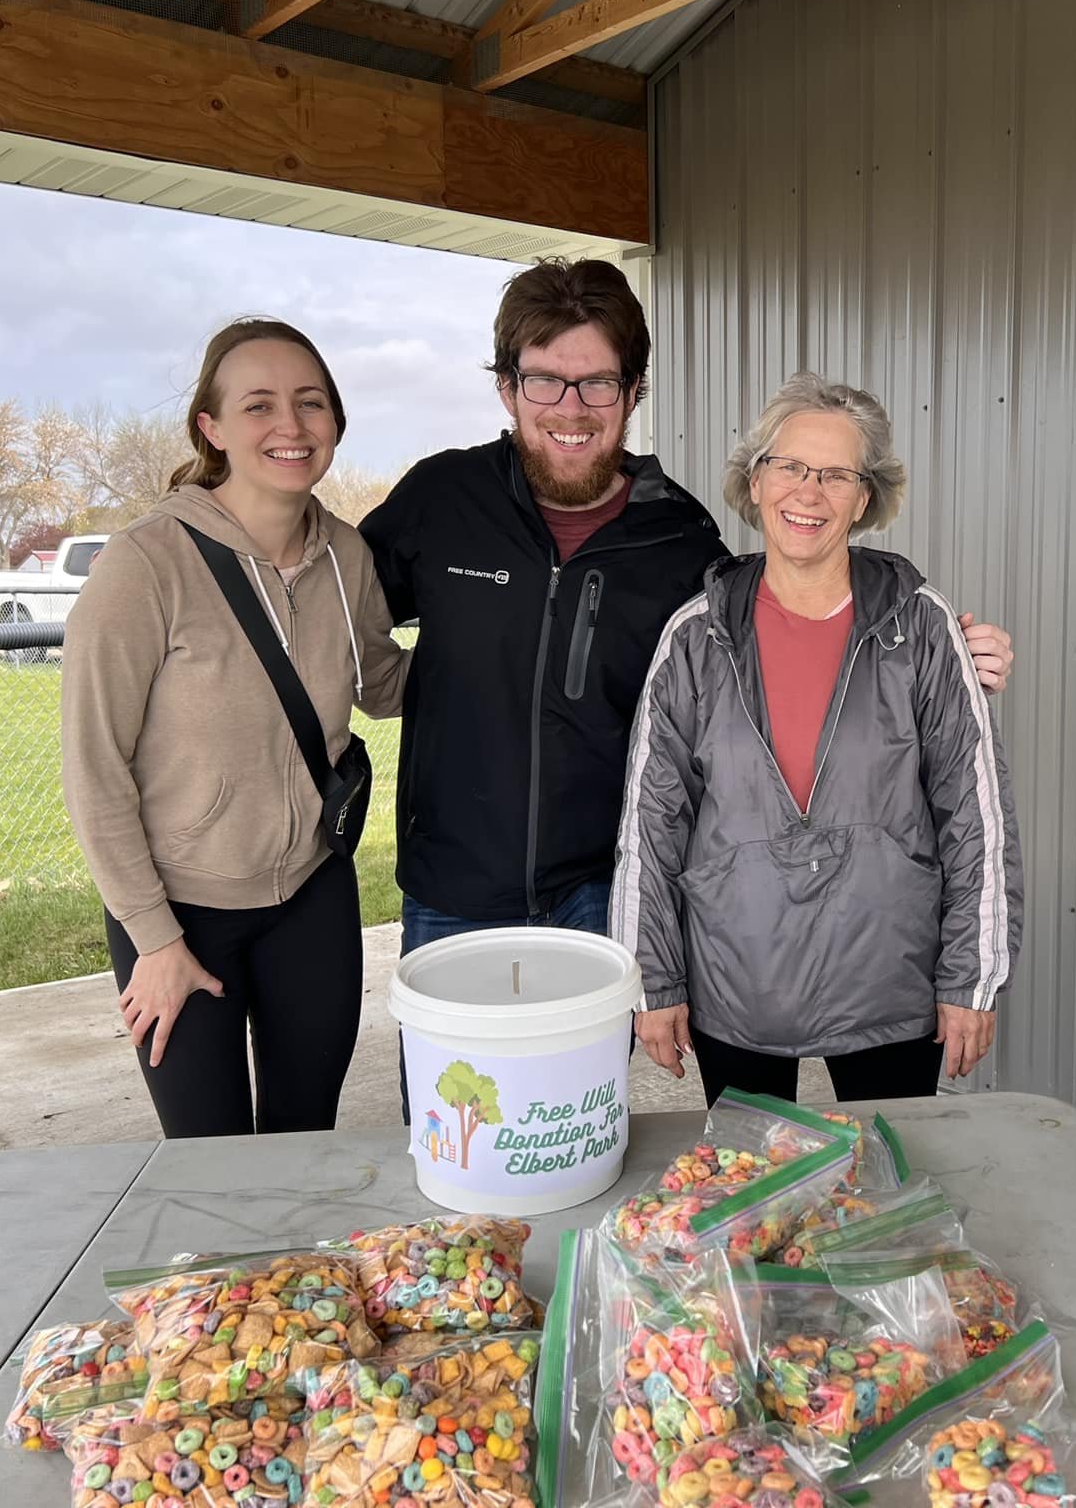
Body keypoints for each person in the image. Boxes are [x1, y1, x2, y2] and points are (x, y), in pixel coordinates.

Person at [359, 260, 1016, 1116]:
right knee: (466, 1136)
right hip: (461, 889)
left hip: (613, 887)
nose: (570, 406)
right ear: (506, 386)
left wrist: (959, 654)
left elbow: (961, 802)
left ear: (632, 392)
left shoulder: (680, 541)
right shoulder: (442, 501)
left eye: (596, 382)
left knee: (579, 1131)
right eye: (545, 381)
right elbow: (325, 605)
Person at [612, 372, 1024, 1104]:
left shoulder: (921, 626)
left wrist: (973, 975)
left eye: (837, 474)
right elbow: (651, 826)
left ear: (865, 498)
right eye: (790, 466)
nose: (809, 492)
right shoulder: (695, 636)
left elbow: (978, 817)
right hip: (737, 979)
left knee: (890, 1193)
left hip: (888, 980)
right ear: (755, 478)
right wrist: (655, 978)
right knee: (749, 1195)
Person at [61, 318, 409, 1137]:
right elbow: (94, 770)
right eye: (259, 405)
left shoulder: (345, 555)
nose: (290, 426)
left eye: (310, 403)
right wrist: (153, 940)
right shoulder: (145, 564)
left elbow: (382, 681)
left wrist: (501, 654)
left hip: (311, 894)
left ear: (334, 424)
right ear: (211, 428)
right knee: (209, 1169)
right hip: (183, 914)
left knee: (302, 1143)